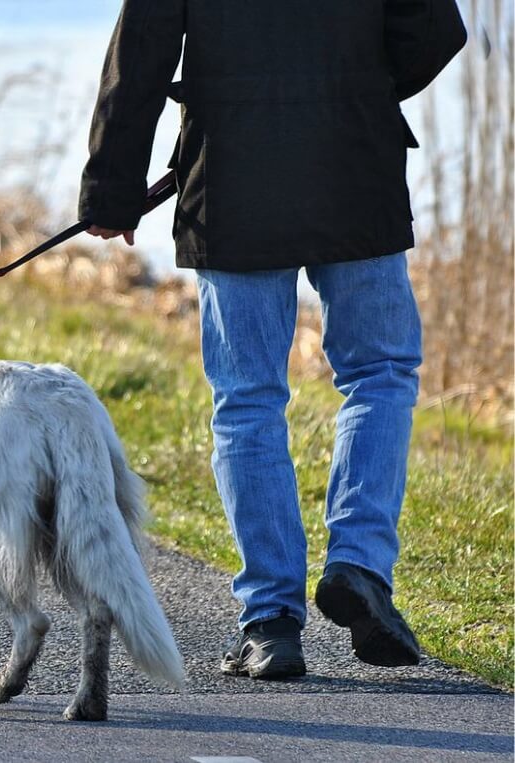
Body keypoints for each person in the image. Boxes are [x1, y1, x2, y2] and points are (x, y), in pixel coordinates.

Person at [78, 1, 466, 679]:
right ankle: (360, 564)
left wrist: (112, 188)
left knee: (247, 397)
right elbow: (435, 32)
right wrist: (355, 88)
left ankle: (270, 622)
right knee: (380, 372)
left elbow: (141, 48)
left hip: (232, 177)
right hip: (355, 162)